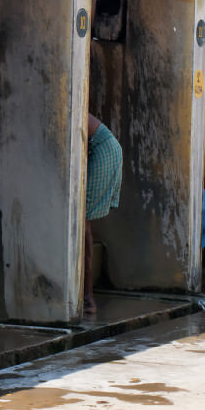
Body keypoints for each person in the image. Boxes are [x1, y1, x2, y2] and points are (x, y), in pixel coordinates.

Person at [83, 113, 122, 315]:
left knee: (83, 223)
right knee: (82, 223)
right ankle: (86, 295)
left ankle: (88, 297)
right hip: (107, 150)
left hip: (104, 151)